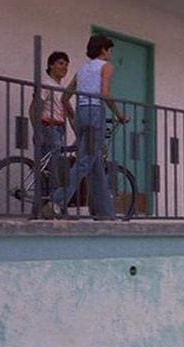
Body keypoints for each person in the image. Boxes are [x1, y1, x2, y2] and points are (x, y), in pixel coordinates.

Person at [45, 35, 128, 220]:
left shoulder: (82, 69)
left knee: (96, 164)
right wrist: (120, 115)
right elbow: (105, 94)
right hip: (95, 113)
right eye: (110, 50)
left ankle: (106, 212)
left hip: (82, 114)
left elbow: (65, 97)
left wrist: (75, 120)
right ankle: (56, 201)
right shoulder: (106, 67)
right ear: (103, 50)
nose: (110, 54)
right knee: (84, 162)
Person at [32, 51, 72, 202]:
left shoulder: (59, 87)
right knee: (50, 169)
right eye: (61, 63)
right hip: (49, 128)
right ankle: (47, 206)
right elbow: (35, 107)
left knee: (51, 169)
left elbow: (67, 113)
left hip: (58, 128)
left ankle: (46, 206)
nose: (64, 68)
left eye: (66, 65)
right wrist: (37, 130)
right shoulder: (47, 84)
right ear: (51, 65)